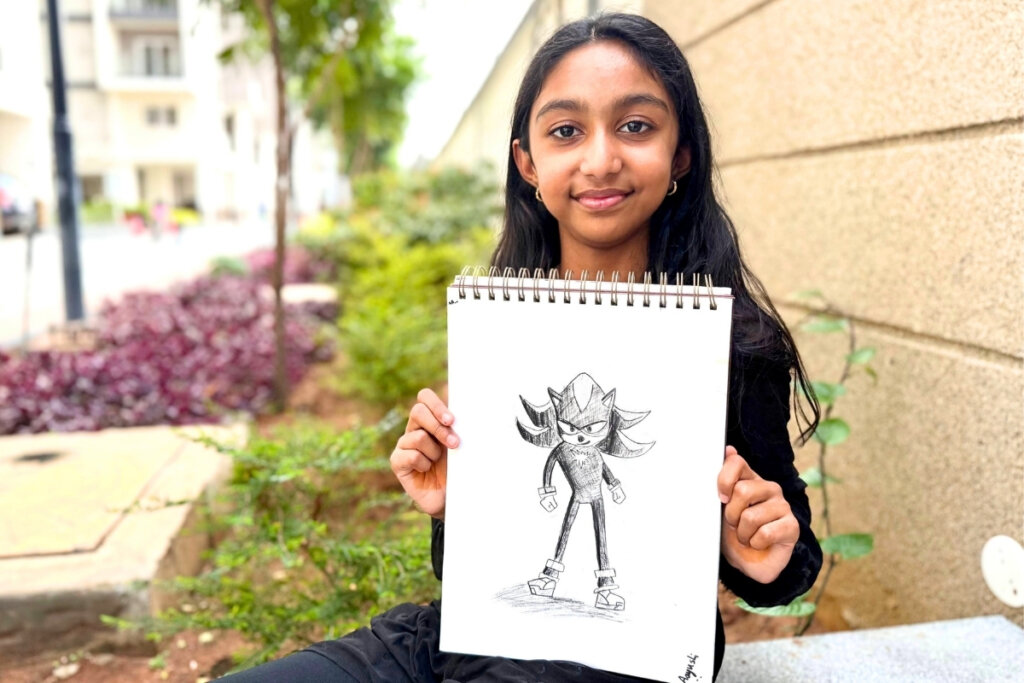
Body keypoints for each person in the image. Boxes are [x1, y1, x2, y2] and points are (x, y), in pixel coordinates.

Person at [218, 12, 822, 682]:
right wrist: (454, 505)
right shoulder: (500, 330)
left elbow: (790, 568)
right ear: (528, 163)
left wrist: (760, 545)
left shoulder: (728, 342)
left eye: (636, 126)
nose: (600, 159)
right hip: (452, 647)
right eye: (566, 131)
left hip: (630, 661)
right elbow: (462, 576)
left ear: (681, 152)